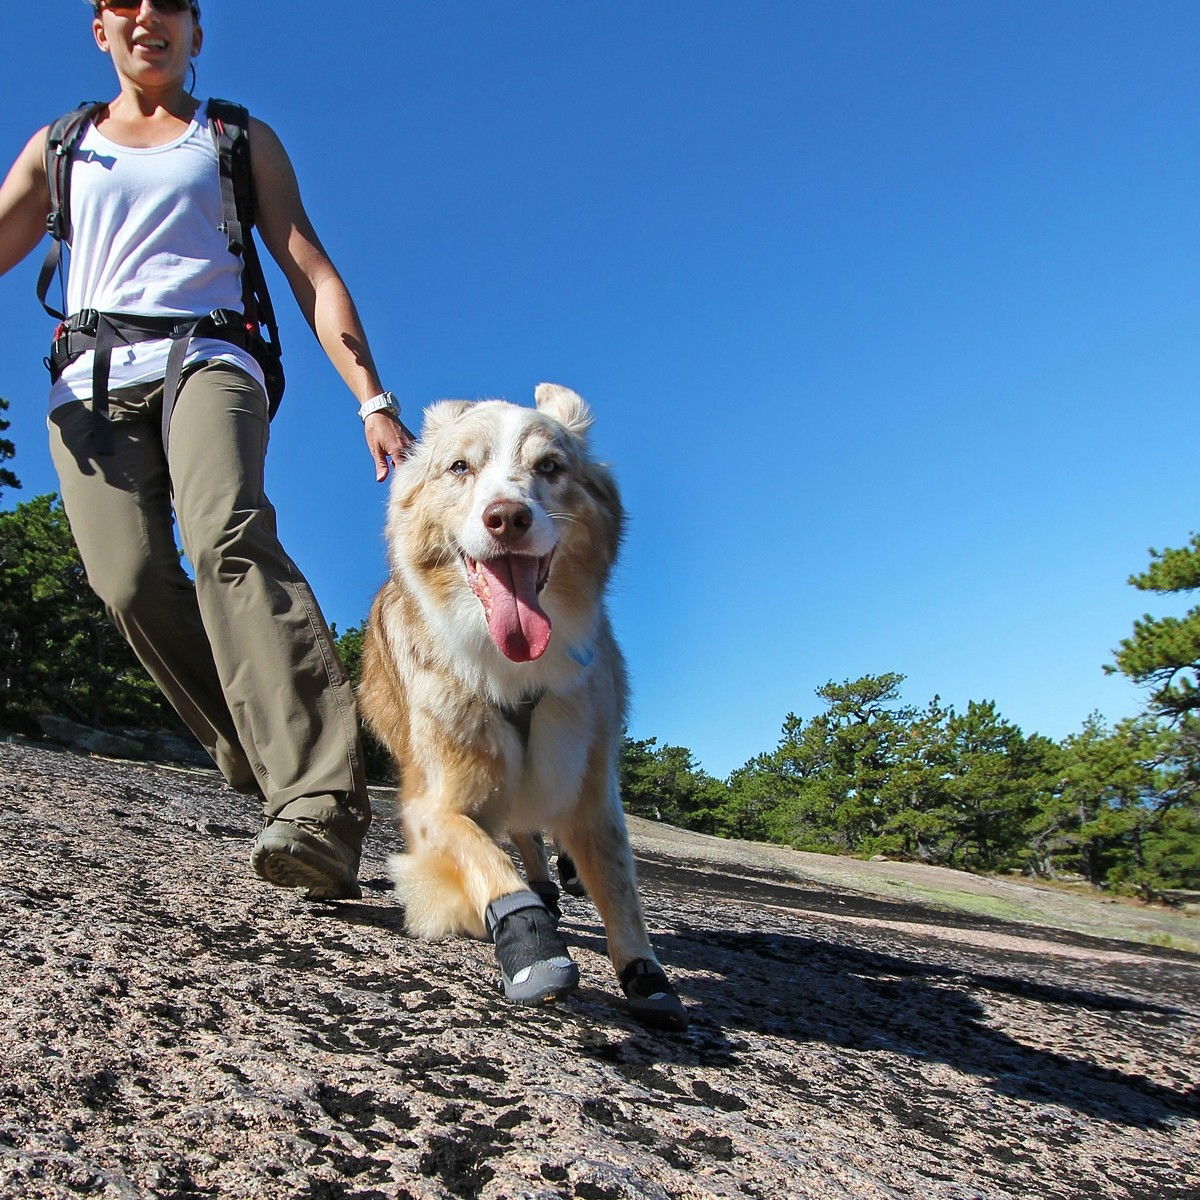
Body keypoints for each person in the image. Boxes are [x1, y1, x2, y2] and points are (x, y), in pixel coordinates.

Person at [0, 0, 413, 899]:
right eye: (124, 1)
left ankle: (318, 805)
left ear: (196, 33)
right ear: (99, 29)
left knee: (224, 533)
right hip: (89, 381)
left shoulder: (233, 138)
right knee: (127, 581)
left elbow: (309, 267)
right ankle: (265, 745)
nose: (148, 14)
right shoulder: (59, 146)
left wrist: (372, 400)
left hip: (211, 355)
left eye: (172, 3)